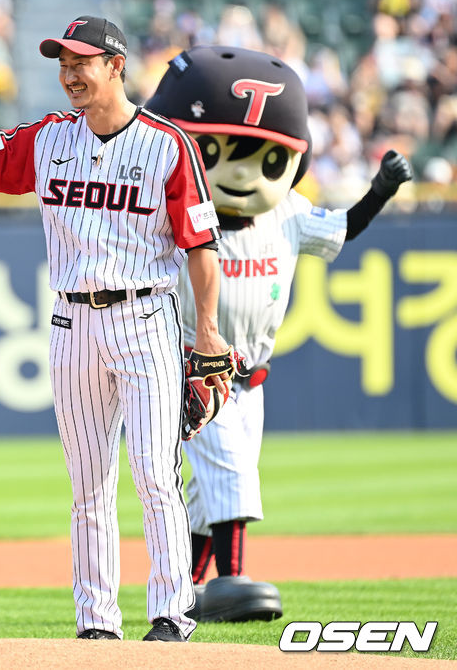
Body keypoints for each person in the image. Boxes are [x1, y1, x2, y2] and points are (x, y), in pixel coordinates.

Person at [0, 15, 231, 642]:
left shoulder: (168, 144)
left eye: (81, 62)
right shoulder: (53, 136)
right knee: (88, 482)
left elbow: (199, 243)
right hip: (71, 323)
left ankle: (171, 612)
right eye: (62, 63)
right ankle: (96, 623)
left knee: (153, 472)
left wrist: (209, 328)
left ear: (116, 65)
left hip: (145, 317)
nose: (69, 74)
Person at [144, 44, 414, 622]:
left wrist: (380, 192)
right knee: (230, 472)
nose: (241, 172)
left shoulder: (287, 211)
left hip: (252, 379)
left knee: (203, 494)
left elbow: (341, 227)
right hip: (194, 371)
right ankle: (233, 580)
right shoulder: (173, 210)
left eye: (265, 159)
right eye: (217, 151)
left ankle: (181, 592)